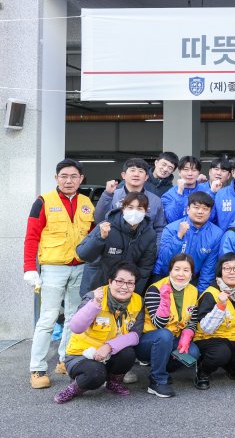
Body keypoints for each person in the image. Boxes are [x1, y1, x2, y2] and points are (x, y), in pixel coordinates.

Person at [24, 158, 95, 389]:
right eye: (64, 176)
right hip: (54, 267)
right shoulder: (43, 201)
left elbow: (93, 237)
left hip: (80, 267)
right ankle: (37, 368)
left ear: (81, 179)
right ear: (56, 178)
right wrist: (30, 269)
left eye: (74, 176)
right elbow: (32, 236)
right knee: (48, 318)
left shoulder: (86, 202)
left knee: (74, 318)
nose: (68, 180)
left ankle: (65, 359)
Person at [53, 263, 143, 403]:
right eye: (120, 281)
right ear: (110, 281)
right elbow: (76, 327)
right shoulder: (94, 296)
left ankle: (113, 383)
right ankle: (74, 388)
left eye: (130, 283)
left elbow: (135, 335)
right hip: (81, 354)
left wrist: (108, 346)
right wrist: (95, 304)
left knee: (128, 353)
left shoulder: (137, 301)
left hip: (109, 353)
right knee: (95, 374)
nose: (125, 287)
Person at [136, 253, 201, 398]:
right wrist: (165, 301)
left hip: (173, 338)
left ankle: (163, 367)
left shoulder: (193, 291)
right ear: (170, 270)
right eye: (177, 269)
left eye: (186, 270)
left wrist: (187, 335)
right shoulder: (155, 289)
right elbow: (158, 324)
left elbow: (192, 319)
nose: (181, 274)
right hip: (150, 340)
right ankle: (157, 380)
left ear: (192, 273)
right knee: (164, 335)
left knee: (193, 352)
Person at [193, 253, 235, 389]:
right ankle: (203, 371)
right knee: (221, 353)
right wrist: (220, 306)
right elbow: (206, 328)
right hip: (211, 338)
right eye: (227, 268)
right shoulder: (211, 293)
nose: (232, 272)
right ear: (220, 271)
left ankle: (229, 365)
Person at [76, 191, 157, 295]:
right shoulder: (106, 226)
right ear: (123, 209)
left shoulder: (149, 234)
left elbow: (145, 267)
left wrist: (133, 293)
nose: (134, 212)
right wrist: (100, 238)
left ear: (146, 211)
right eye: (130, 207)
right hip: (96, 287)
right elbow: (83, 254)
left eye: (139, 208)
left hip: (125, 292)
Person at [154, 191, 224, 293]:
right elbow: (165, 260)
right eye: (196, 207)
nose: (200, 212)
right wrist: (179, 237)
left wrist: (199, 295)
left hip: (191, 279)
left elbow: (208, 269)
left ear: (210, 212)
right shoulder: (171, 228)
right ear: (188, 209)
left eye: (205, 209)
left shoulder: (216, 234)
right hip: (164, 275)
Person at [94, 158, 166, 242]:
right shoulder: (112, 195)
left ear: (146, 177)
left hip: (144, 250)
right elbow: (99, 220)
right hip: (114, 248)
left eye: (140, 171)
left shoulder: (155, 200)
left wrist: (154, 250)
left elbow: (160, 228)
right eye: (132, 170)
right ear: (123, 175)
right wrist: (107, 194)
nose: (136, 174)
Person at [162, 156, 213, 224]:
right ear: (179, 172)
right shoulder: (169, 195)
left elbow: (212, 217)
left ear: (198, 173)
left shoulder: (207, 192)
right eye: (186, 169)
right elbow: (171, 219)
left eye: (194, 170)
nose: (190, 174)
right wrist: (179, 193)